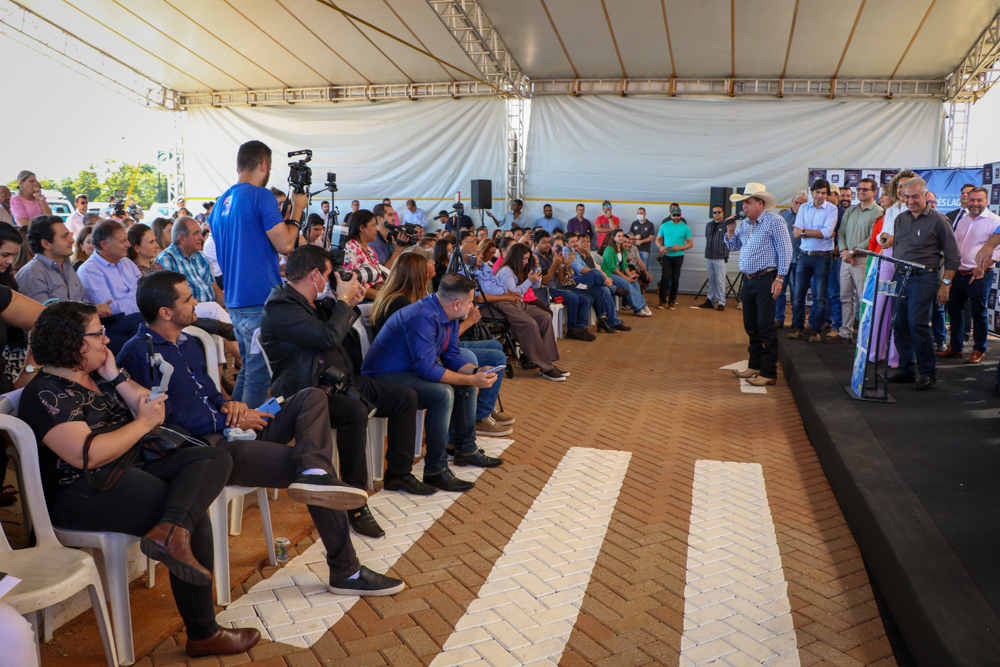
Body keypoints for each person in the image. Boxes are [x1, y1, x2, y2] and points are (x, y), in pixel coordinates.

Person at [117, 272, 405, 597]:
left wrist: (235, 407)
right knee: (309, 468)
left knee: (311, 396)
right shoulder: (137, 351)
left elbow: (212, 396)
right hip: (209, 450)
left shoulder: (188, 342)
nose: (196, 301)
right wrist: (224, 422)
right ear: (166, 312)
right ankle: (346, 570)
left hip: (230, 430)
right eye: (187, 298)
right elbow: (159, 419)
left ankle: (315, 472)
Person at [19, 301, 261, 659]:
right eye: (97, 333)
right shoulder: (47, 393)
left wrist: (116, 375)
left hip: (128, 466)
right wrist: (143, 424)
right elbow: (86, 454)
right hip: (83, 490)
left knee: (212, 458)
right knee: (189, 517)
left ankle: (171, 534)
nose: (106, 339)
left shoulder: (98, 374)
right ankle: (203, 632)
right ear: (73, 342)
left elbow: (151, 404)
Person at [261, 247, 436, 537]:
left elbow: (338, 325)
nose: (333, 281)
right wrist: (342, 298)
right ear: (315, 274)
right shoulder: (280, 306)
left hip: (342, 381)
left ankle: (398, 473)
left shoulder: (311, 299)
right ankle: (356, 502)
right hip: (308, 394)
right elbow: (327, 335)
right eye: (330, 274)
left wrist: (350, 300)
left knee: (405, 396)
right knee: (354, 412)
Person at [362, 273, 504, 491]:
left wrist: (476, 371)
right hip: (382, 377)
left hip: (407, 372)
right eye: (470, 302)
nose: (472, 306)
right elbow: (427, 370)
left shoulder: (449, 314)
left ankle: (464, 448)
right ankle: (435, 470)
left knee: (465, 383)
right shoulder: (422, 316)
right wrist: (471, 377)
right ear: (457, 304)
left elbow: (453, 356)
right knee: (443, 393)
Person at [208, 140, 307, 410]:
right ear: (263, 164)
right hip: (259, 299)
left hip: (236, 300)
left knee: (249, 371)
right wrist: (297, 210)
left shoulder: (219, 204)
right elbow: (286, 245)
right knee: (259, 375)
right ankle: (244, 438)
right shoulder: (259, 196)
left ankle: (234, 428)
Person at [372, 250, 513, 437]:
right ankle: (479, 417)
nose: (433, 264)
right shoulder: (403, 304)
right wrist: (468, 322)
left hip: (431, 348)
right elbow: (432, 342)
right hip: (404, 363)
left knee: (495, 349)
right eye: (428, 263)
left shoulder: (424, 295)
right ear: (418, 273)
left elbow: (443, 336)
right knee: (476, 359)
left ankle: (479, 416)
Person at [886, 176, 959, 389]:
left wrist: (945, 283)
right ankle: (906, 370)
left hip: (924, 278)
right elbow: (898, 250)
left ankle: (927, 373)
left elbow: (953, 256)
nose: (910, 201)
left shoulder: (939, 220)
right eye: (906, 197)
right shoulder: (900, 219)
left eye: (915, 196)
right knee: (899, 325)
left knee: (917, 324)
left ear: (925, 196)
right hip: (900, 276)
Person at [724, 183, 792, 386]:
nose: (744, 207)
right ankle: (754, 364)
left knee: (765, 326)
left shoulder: (775, 221)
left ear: (760, 203)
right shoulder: (745, 223)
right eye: (743, 203)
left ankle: (769, 372)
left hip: (767, 279)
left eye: (748, 202)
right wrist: (730, 230)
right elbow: (733, 246)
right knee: (751, 325)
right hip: (749, 280)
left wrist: (780, 279)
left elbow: (785, 251)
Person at [473, 244, 567, 380]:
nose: (481, 255)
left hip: (509, 300)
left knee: (544, 316)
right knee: (529, 323)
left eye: (527, 259)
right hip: (495, 304)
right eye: (524, 259)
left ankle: (548, 362)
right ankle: (546, 366)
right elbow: (481, 297)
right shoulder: (504, 271)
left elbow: (512, 289)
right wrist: (514, 294)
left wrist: (535, 269)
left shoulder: (486, 268)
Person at [935, 187, 996, 364]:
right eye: (972, 200)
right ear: (967, 201)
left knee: (979, 313)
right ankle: (956, 347)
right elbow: (955, 247)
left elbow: (998, 249)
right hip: (958, 273)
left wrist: (982, 267)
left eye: (979, 200)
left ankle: (979, 350)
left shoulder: (994, 221)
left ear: (986, 202)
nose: (975, 203)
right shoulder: (962, 220)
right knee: (953, 310)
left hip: (978, 275)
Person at [76, 219, 152, 353]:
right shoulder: (90, 270)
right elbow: (109, 308)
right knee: (142, 323)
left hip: (136, 318)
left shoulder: (127, 262)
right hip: (110, 324)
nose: (128, 245)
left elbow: (144, 292)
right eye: (123, 241)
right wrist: (143, 310)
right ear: (104, 244)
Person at [828, 177, 883, 343]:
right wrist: (845, 251)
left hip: (863, 260)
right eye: (859, 189)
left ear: (874, 192)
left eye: (865, 189)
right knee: (845, 297)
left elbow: (873, 238)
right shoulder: (851, 211)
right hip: (846, 260)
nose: (861, 191)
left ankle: (866, 336)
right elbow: (841, 233)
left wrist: (851, 251)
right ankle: (845, 332)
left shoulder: (878, 212)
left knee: (863, 298)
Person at [788, 179, 837, 342]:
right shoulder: (803, 207)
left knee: (820, 296)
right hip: (803, 255)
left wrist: (804, 232)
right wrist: (815, 232)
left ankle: (816, 330)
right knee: (797, 295)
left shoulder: (832, 209)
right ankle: (797, 328)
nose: (820, 196)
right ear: (812, 193)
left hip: (823, 257)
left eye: (824, 193)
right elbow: (797, 230)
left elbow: (827, 232)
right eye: (818, 192)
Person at [533, 230, 595, 341]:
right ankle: (571, 329)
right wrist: (554, 265)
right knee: (573, 298)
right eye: (544, 242)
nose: (548, 245)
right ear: (536, 244)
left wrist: (561, 266)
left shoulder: (550, 257)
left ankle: (581, 327)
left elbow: (560, 279)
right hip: (545, 291)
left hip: (557, 287)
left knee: (586, 299)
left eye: (548, 242)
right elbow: (543, 282)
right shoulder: (535, 259)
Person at [563, 232, 630, 333]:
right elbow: (580, 270)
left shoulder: (585, 254)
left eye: (576, 241)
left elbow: (597, 268)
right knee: (595, 272)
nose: (576, 243)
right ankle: (614, 289)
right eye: (573, 241)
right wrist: (600, 276)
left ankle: (612, 321)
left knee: (604, 290)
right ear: (566, 243)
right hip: (575, 283)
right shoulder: (567, 252)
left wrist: (606, 278)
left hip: (587, 282)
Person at [157, 216, 223, 307]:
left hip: (211, 311)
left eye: (200, 232)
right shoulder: (167, 259)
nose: (201, 237)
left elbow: (214, 287)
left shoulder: (201, 256)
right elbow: (172, 300)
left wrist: (225, 308)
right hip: (190, 315)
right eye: (196, 233)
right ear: (182, 239)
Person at [602, 229, 652, 315]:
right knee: (626, 284)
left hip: (617, 272)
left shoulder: (622, 250)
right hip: (608, 273)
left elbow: (624, 265)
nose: (621, 238)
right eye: (619, 236)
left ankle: (637, 310)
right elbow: (612, 267)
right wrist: (626, 278)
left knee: (635, 282)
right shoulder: (609, 249)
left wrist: (630, 276)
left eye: (622, 236)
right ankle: (641, 306)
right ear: (614, 238)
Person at [776, 191, 807, 328]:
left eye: (802, 203)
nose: (798, 205)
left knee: (798, 292)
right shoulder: (782, 217)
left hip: (802, 260)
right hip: (784, 260)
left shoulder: (809, 217)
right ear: (791, 202)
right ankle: (779, 318)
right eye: (796, 202)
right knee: (779, 290)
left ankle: (797, 322)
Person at [654, 205, 693, 310]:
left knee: (675, 278)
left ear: (681, 215)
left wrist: (680, 248)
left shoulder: (685, 227)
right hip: (666, 255)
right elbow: (657, 239)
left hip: (678, 256)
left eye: (678, 215)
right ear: (670, 215)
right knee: (665, 278)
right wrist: (660, 247)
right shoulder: (664, 225)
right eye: (674, 215)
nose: (676, 217)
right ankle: (662, 300)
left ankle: (672, 301)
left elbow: (690, 244)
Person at [343, 209, 386, 299]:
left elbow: (379, 280)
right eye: (373, 225)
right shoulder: (350, 248)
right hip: (361, 300)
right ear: (362, 227)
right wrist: (383, 297)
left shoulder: (370, 250)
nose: (377, 229)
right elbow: (354, 285)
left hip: (375, 296)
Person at [701, 205, 730, 310]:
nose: (716, 214)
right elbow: (707, 237)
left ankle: (721, 302)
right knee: (711, 280)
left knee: (720, 281)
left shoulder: (727, 224)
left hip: (720, 256)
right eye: (714, 212)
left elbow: (730, 239)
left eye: (718, 212)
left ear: (723, 213)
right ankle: (710, 300)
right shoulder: (709, 225)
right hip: (709, 256)